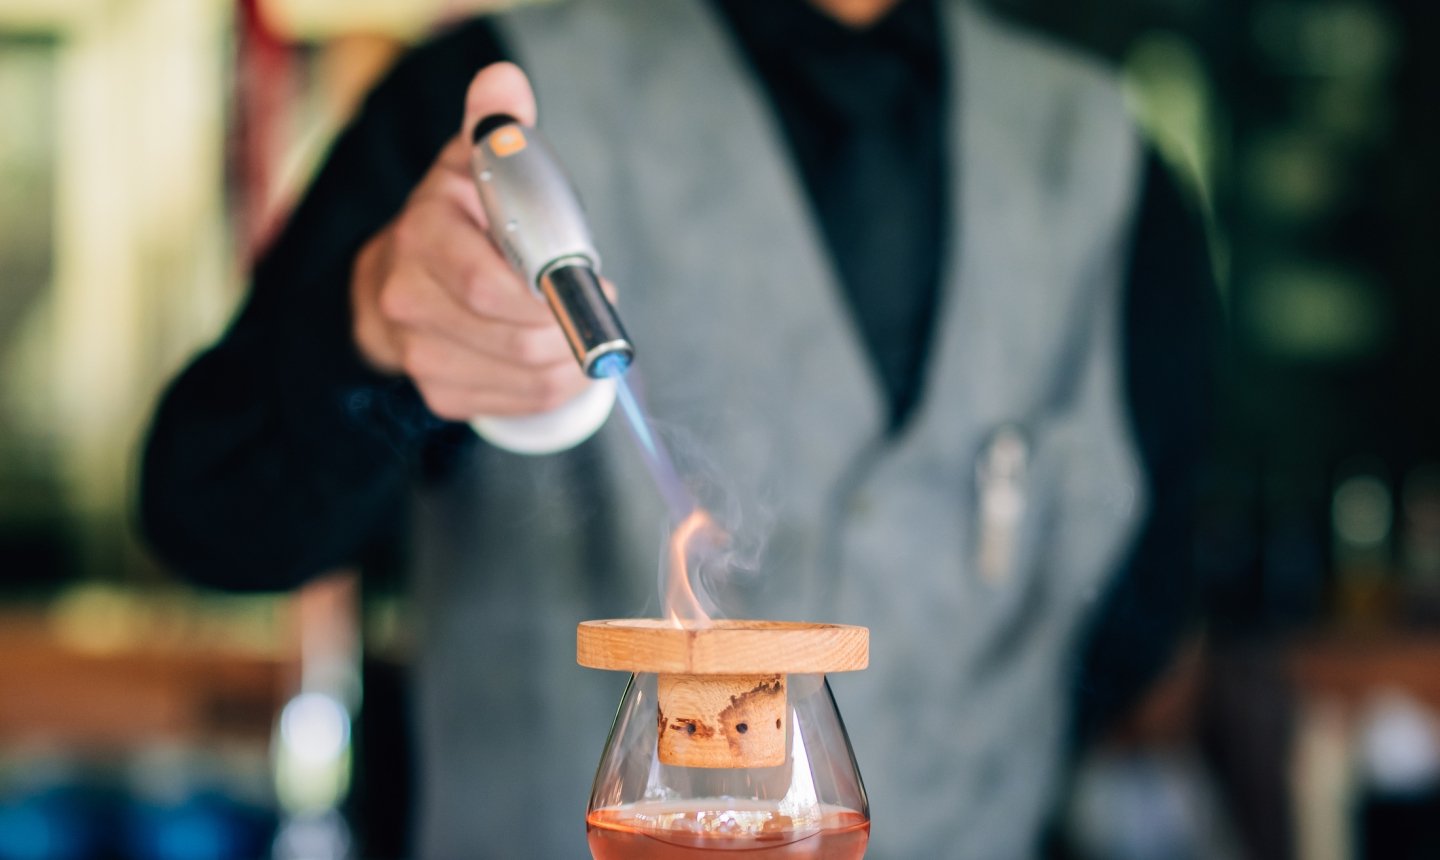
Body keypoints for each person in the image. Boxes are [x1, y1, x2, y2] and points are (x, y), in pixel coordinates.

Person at [141, 0, 1216, 856]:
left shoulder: (1114, 169)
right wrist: (374, 331)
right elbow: (209, 506)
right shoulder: (490, 106)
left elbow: (1141, 590)